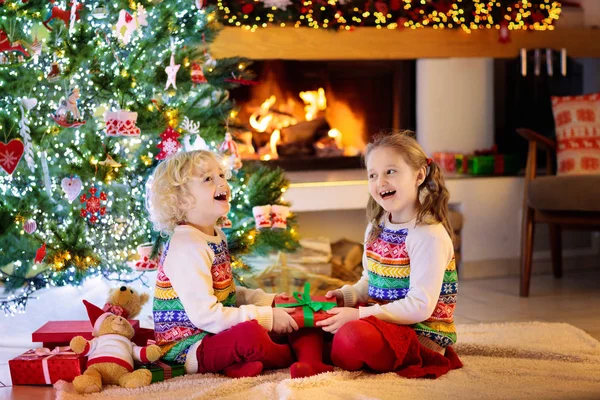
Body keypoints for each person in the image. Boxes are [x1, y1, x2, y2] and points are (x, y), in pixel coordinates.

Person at [317, 131, 461, 376]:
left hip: (419, 335)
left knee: (351, 337)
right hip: (382, 320)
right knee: (319, 314)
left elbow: (419, 307)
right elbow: (369, 282)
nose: (380, 182)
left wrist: (359, 315)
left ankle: (325, 351)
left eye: (390, 172)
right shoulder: (377, 226)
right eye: (373, 175)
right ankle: (319, 348)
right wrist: (346, 297)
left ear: (419, 175)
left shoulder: (428, 235)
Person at [146, 150, 297, 378]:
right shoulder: (187, 246)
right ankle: (289, 355)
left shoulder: (214, 235)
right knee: (251, 335)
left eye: (221, 175)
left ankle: (237, 364)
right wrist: (267, 318)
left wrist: (267, 301)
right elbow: (206, 315)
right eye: (208, 179)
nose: (222, 183)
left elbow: (225, 293)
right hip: (188, 348)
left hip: (213, 334)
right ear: (181, 198)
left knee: (269, 322)